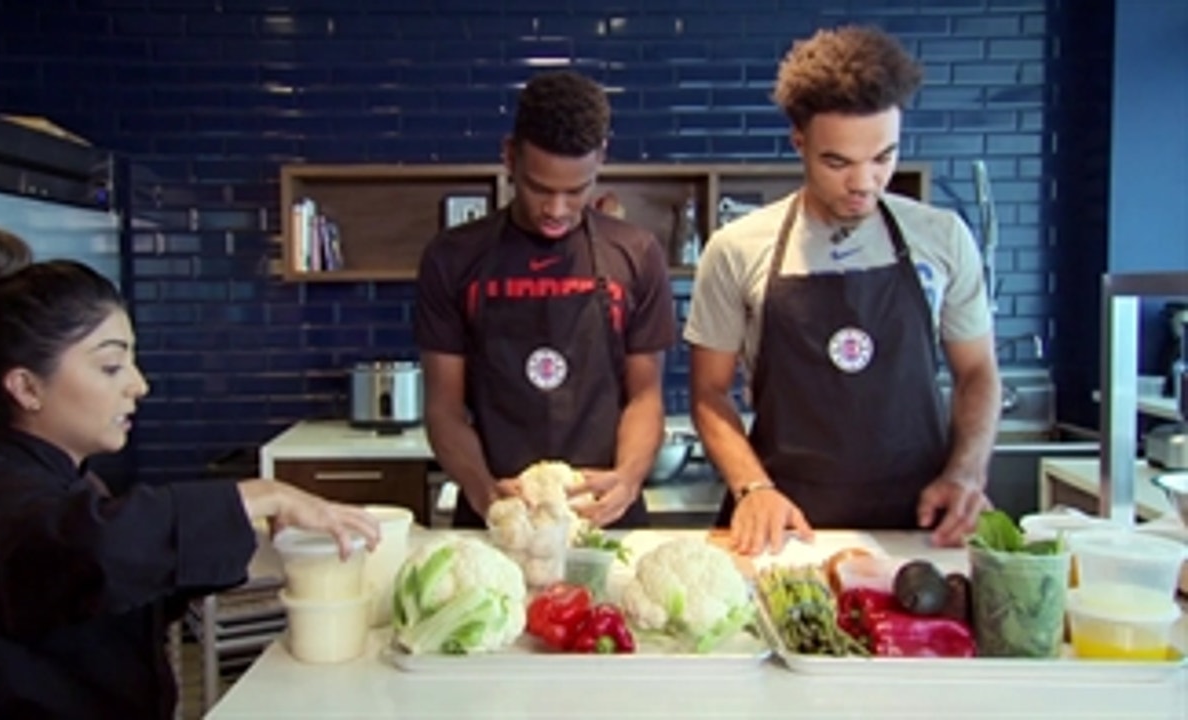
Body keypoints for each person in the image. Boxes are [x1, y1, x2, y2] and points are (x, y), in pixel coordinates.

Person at [0, 227, 381, 719]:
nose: (138, 385)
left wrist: (262, 549)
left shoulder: (65, 482)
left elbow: (116, 588)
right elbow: (99, 549)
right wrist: (257, 495)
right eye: (110, 366)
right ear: (26, 387)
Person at [685, 26, 999, 555]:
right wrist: (753, 488)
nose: (864, 183)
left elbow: (978, 372)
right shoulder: (737, 247)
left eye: (883, 158)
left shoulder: (941, 238)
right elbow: (709, 394)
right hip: (786, 523)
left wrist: (967, 471)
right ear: (799, 142)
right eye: (839, 163)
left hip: (920, 521)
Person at [414, 70, 676, 529]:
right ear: (510, 157)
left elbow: (645, 396)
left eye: (576, 190)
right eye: (540, 188)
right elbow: (444, 407)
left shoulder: (636, 254)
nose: (556, 210)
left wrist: (628, 478)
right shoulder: (452, 259)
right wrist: (483, 490)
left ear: (600, 161)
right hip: (494, 520)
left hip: (604, 519)